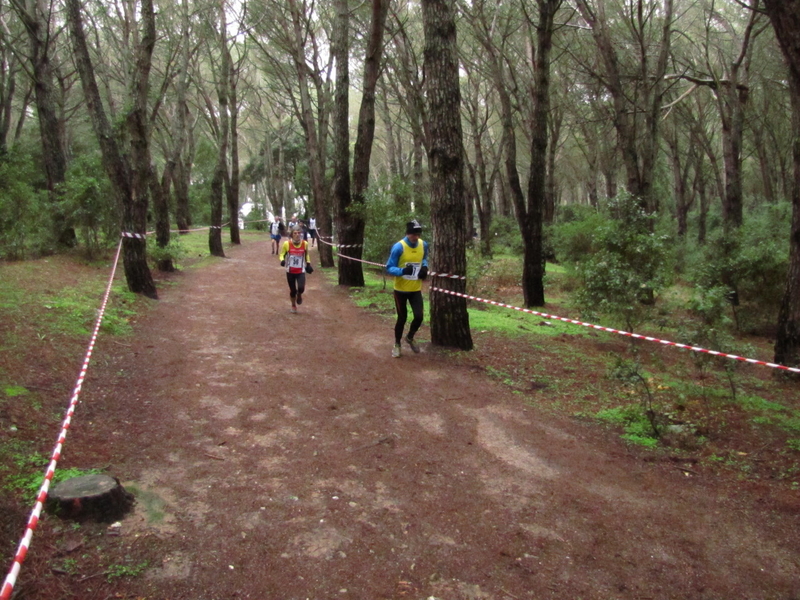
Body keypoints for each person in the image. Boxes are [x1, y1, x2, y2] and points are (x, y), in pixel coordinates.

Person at [385, 219, 429, 358]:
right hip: (400, 290)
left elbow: (424, 258)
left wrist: (425, 268)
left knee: (419, 316)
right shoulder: (399, 247)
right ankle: (397, 345)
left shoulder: (423, 245)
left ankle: (410, 337)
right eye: (414, 235)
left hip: (416, 289)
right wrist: (403, 271)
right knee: (402, 318)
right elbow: (389, 267)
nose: (416, 237)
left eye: (418, 234)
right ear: (408, 234)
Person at [279, 225, 314, 314]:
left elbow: (306, 255)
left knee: (301, 288)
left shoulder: (304, 244)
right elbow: (282, 254)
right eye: (295, 233)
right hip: (290, 271)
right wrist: (282, 260)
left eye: (299, 233)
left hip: (300, 270)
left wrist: (308, 264)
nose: (297, 235)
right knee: (292, 290)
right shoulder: (287, 244)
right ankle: (293, 305)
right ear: (292, 234)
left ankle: (299, 294)